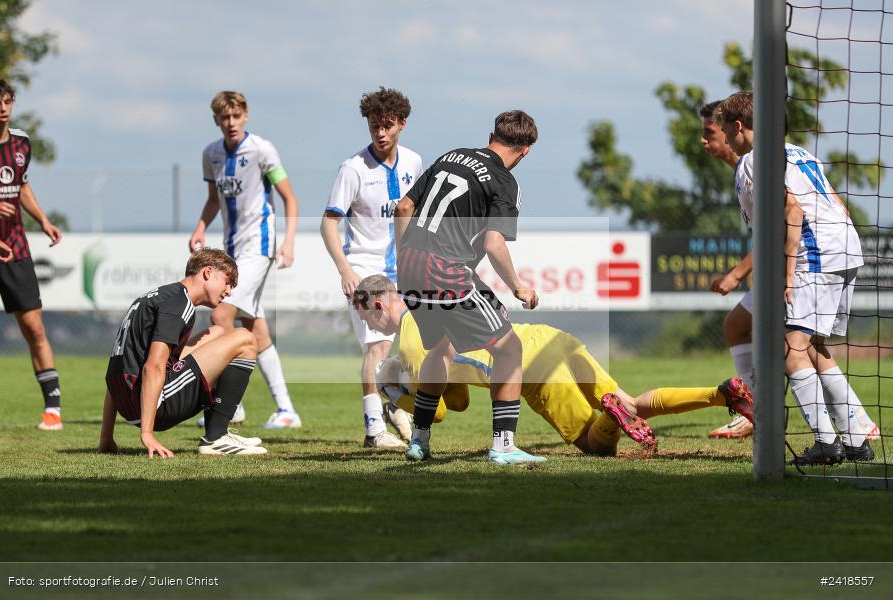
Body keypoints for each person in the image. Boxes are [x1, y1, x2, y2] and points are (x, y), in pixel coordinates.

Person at [353, 275, 754, 457]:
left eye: (368, 318)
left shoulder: (408, 340)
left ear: (380, 303)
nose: (371, 327)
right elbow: (456, 397)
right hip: (548, 337)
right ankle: (722, 394)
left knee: (597, 445)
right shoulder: (435, 303)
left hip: (529, 370)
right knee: (632, 403)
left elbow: (438, 412)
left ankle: (610, 417)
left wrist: (396, 394)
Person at [717, 91, 875, 465]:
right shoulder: (800, 152)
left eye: (724, 129)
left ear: (738, 127)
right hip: (845, 245)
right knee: (813, 345)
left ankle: (825, 442)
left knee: (791, 345)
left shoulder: (754, 161)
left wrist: (789, 272)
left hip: (813, 253)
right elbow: (834, 199)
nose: (723, 137)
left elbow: (791, 209)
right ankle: (854, 439)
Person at [393, 110, 543, 465]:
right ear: (526, 151)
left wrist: (404, 257)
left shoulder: (451, 156)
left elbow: (403, 208)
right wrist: (518, 286)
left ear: (491, 134)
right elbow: (494, 244)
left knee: (441, 348)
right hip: (445, 270)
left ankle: (419, 440)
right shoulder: (505, 182)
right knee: (509, 349)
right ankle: (504, 447)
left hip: (410, 265)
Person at [190, 91, 302, 430]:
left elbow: (289, 199)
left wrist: (289, 242)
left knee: (221, 314)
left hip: (259, 247)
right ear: (216, 121)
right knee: (256, 330)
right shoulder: (211, 154)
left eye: (236, 116)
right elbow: (214, 200)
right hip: (232, 251)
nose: (231, 123)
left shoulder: (262, 150)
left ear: (246, 116)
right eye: (225, 118)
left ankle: (229, 404)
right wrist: (199, 229)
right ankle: (286, 410)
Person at [320, 87, 423, 449]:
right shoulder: (353, 169)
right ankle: (374, 430)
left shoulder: (414, 163)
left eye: (387, 126)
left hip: (403, 272)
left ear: (402, 124)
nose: (380, 133)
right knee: (377, 349)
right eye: (374, 126)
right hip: (364, 269)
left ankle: (395, 406)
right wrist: (346, 270)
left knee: (414, 347)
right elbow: (328, 223)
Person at [99, 248, 267, 457]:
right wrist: (147, 434)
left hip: (130, 404)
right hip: (156, 407)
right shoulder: (178, 305)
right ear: (207, 272)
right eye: (227, 281)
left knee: (217, 332)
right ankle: (216, 437)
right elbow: (154, 366)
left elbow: (119, 367)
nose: (229, 291)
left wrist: (106, 436)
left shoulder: (153, 298)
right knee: (245, 338)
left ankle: (218, 434)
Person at [0, 77, 66, 431]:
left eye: (7, 101)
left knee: (34, 327)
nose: (3, 108)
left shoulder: (21, 143)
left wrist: (44, 220)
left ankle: (53, 408)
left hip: (16, 251)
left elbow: (20, 185)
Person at [701, 99, 755, 440]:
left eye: (709, 133)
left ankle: (855, 425)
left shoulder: (753, 165)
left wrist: (737, 273)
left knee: (801, 351)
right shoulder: (744, 168)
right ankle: (753, 410)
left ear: (730, 129)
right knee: (736, 326)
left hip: (801, 267)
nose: (704, 141)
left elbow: (779, 226)